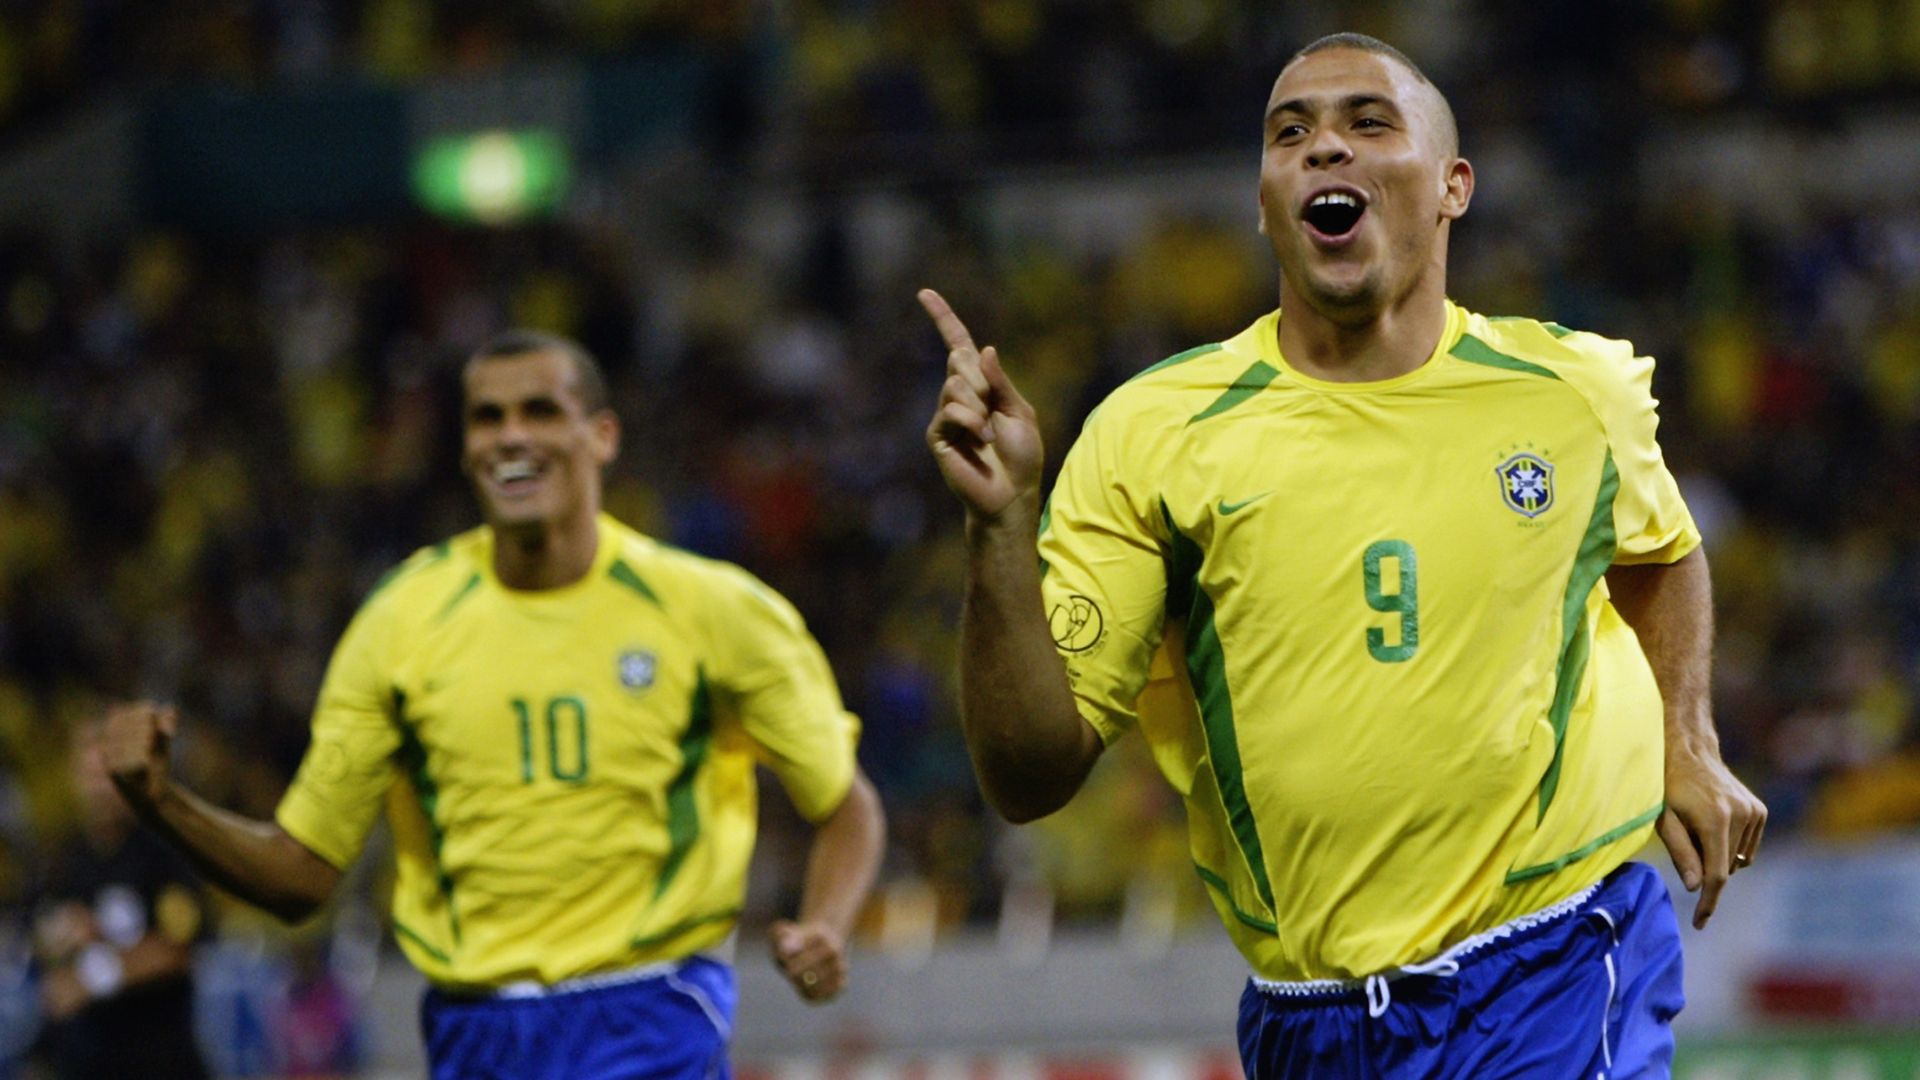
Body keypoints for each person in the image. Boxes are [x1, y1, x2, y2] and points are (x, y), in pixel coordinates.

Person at [921, 32, 1766, 1078]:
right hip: (1306, 1020)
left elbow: (1660, 551)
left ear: (1454, 186)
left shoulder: (1571, 395)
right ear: (1264, 200)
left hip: (1551, 964)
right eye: (1291, 133)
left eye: (1368, 121)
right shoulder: (1155, 434)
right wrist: (999, 532)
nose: (1326, 147)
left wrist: (1687, 736)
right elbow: (1027, 775)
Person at [103, 329, 887, 1079]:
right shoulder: (401, 620)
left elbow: (845, 806)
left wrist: (824, 923)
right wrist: (161, 800)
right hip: (470, 1033)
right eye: (488, 417)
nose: (512, 436)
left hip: (649, 1013)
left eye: (541, 411)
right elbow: (302, 875)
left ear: (603, 436)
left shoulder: (714, 612)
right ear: (466, 446)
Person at [30, 718, 210, 1080]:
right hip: (89, 1060)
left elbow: (178, 948)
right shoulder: (65, 859)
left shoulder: (162, 851)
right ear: (73, 776)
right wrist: (56, 941)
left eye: (108, 776)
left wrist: (96, 973)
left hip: (158, 1060)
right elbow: (40, 936)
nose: (100, 789)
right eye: (91, 775)